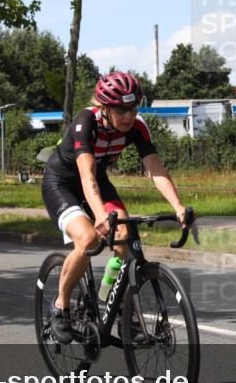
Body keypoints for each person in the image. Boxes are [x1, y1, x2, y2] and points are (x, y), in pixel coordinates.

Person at [42, 71, 188, 344]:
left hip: (98, 181)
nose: (129, 115)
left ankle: (118, 310)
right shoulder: (86, 123)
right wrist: (99, 216)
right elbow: (86, 176)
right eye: (121, 109)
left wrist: (178, 206)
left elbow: (155, 169)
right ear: (105, 108)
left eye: (133, 108)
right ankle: (60, 306)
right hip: (62, 183)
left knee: (125, 238)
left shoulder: (137, 126)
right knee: (87, 239)